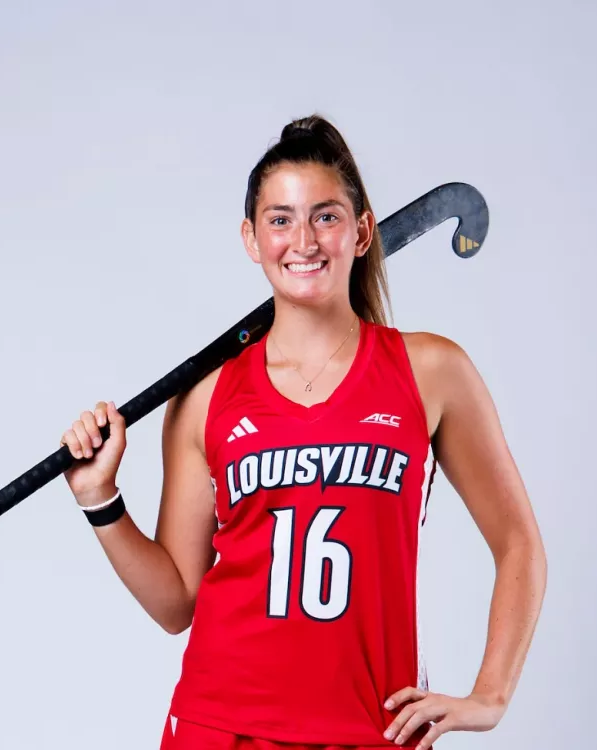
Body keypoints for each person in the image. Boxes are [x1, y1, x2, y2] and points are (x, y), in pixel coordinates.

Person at [60, 115, 547, 749]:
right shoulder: (205, 396)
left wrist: (491, 695)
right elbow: (177, 602)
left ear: (363, 230)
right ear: (251, 237)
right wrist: (101, 500)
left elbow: (518, 542)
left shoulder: (430, 372)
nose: (303, 241)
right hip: (220, 726)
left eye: (326, 216)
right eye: (280, 220)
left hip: (372, 729)